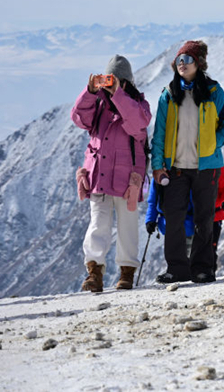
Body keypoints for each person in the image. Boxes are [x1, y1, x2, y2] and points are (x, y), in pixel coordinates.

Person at [151, 41, 224, 284]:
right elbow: (159, 134)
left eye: (187, 59)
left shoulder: (213, 92)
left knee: (204, 219)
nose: (182, 64)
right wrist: (157, 166)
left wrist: (214, 142)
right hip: (176, 168)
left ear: (198, 64)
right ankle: (177, 269)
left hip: (207, 167)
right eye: (179, 60)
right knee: (173, 218)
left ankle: (203, 269)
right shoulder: (168, 94)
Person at [71, 55, 151, 292]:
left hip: (128, 180)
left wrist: (118, 95)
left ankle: (126, 272)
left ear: (126, 82)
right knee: (98, 225)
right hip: (99, 176)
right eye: (107, 79)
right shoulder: (98, 105)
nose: (110, 84)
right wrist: (89, 92)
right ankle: (94, 272)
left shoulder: (139, 105)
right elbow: (78, 117)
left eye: (115, 80)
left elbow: (137, 124)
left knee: (128, 227)